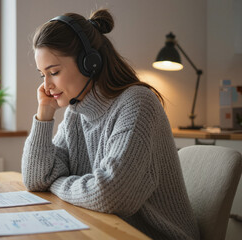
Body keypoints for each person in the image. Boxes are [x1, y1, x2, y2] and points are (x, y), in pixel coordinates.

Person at [21, 8, 200, 240]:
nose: (46, 85)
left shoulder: (137, 104)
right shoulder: (77, 112)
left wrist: (57, 183)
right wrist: (44, 113)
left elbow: (110, 194)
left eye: (53, 72)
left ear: (89, 63)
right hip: (106, 230)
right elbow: (35, 179)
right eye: (41, 75)